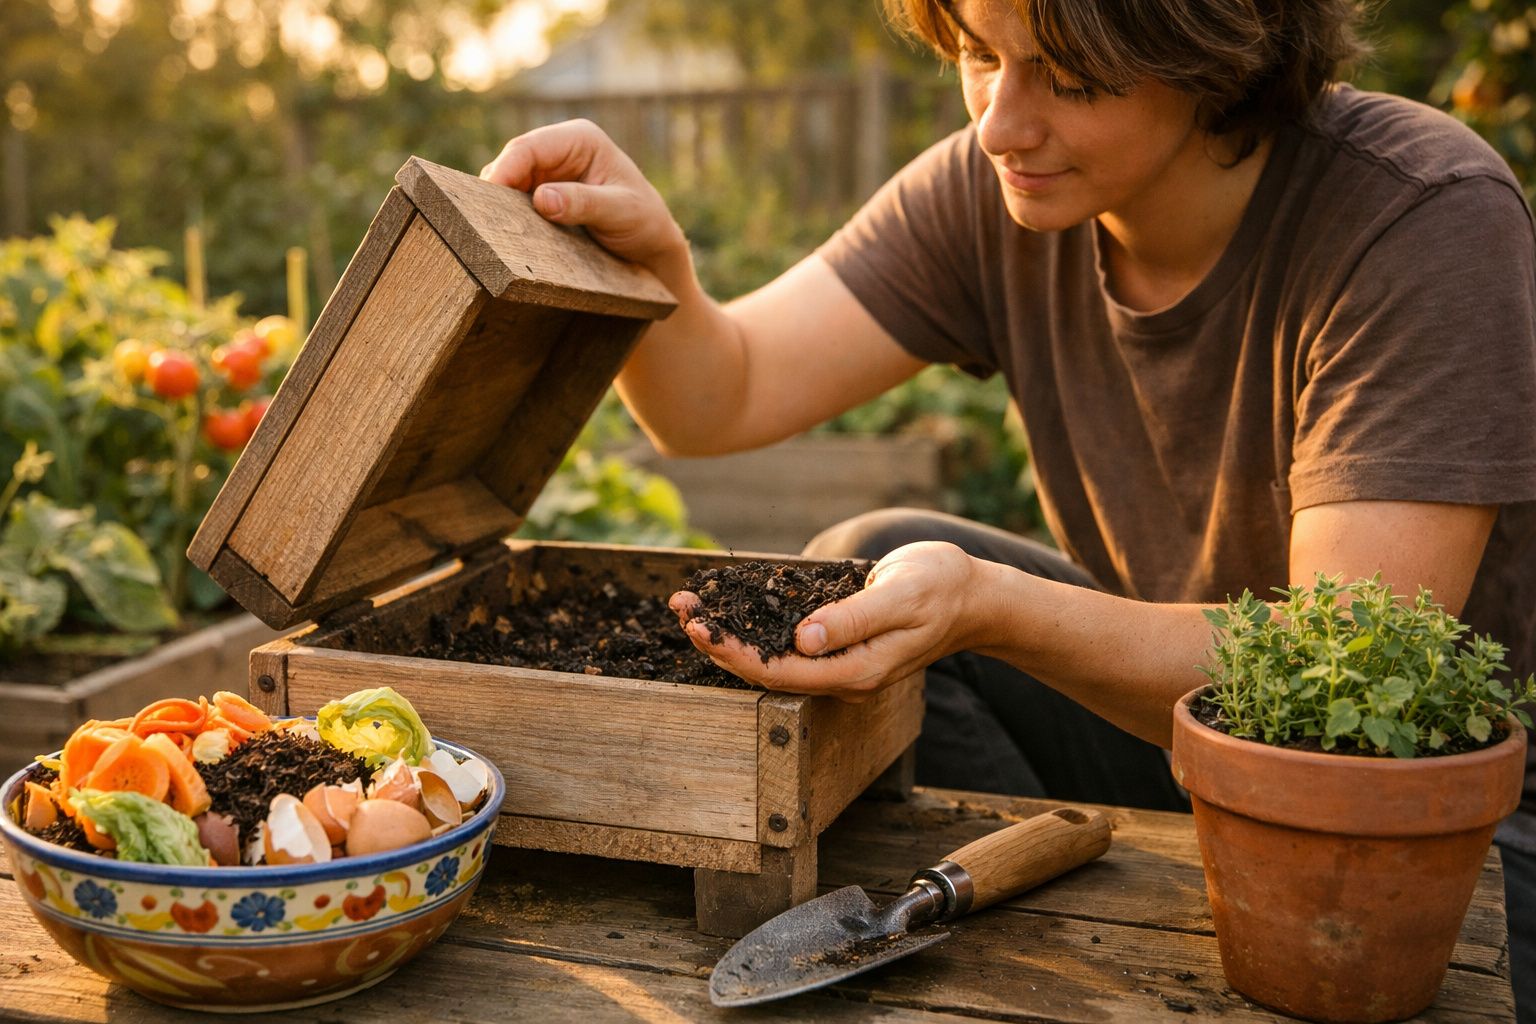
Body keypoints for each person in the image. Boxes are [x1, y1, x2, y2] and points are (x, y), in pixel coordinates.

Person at [482, 0, 1536, 1016]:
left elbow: (1338, 677)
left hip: (1438, 831)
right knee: (880, 554)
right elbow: (724, 393)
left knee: (925, 588)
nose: (998, 124)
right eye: (981, 53)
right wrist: (656, 263)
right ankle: (1068, 937)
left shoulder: (1416, 215)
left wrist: (996, 605)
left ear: (1225, 56)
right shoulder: (1004, 188)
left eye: (1071, 80)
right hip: (1177, 749)